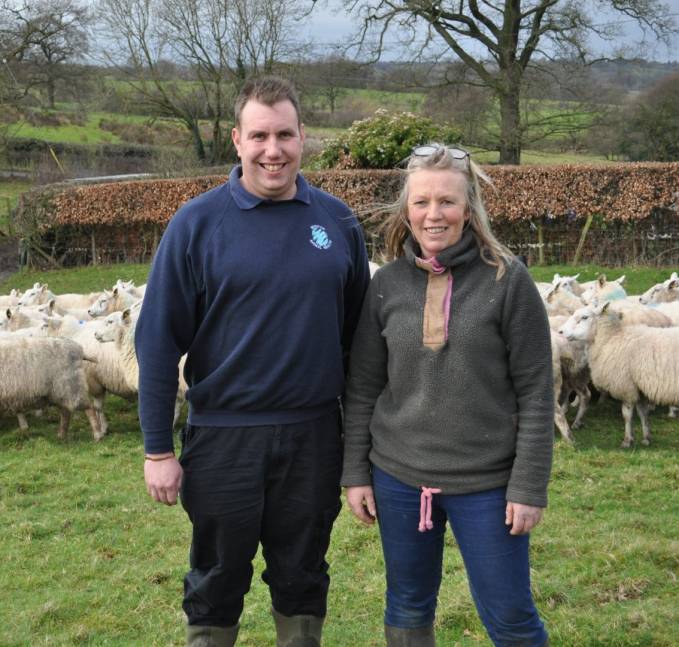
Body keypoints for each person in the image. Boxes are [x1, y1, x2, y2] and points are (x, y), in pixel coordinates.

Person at [135, 76, 370, 647]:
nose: (274, 150)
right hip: (223, 438)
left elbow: (358, 343)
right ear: (237, 140)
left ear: (303, 137)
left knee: (303, 575)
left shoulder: (337, 223)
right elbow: (158, 341)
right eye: (260, 135)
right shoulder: (196, 224)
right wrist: (158, 450)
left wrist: (360, 452)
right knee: (217, 577)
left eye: (285, 135)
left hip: (313, 436)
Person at [341, 144, 553, 647]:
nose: (433, 214)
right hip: (399, 479)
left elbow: (537, 392)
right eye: (421, 202)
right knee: (408, 604)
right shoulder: (386, 285)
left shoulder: (508, 281)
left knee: (510, 617)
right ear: (406, 210)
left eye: (447, 202)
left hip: (488, 487)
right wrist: (355, 473)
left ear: (470, 208)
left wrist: (528, 485)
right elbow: (364, 386)